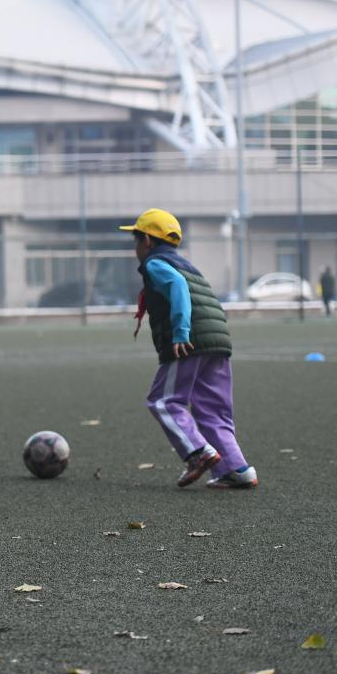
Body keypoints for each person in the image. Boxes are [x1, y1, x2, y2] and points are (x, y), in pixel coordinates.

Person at [120, 208, 257, 489]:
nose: (136, 248)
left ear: (147, 241)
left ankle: (198, 452)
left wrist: (181, 332)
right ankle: (237, 470)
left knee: (164, 401)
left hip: (188, 343)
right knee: (213, 411)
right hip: (216, 343)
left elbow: (178, 287)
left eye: (136, 241)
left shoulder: (155, 264)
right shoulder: (187, 265)